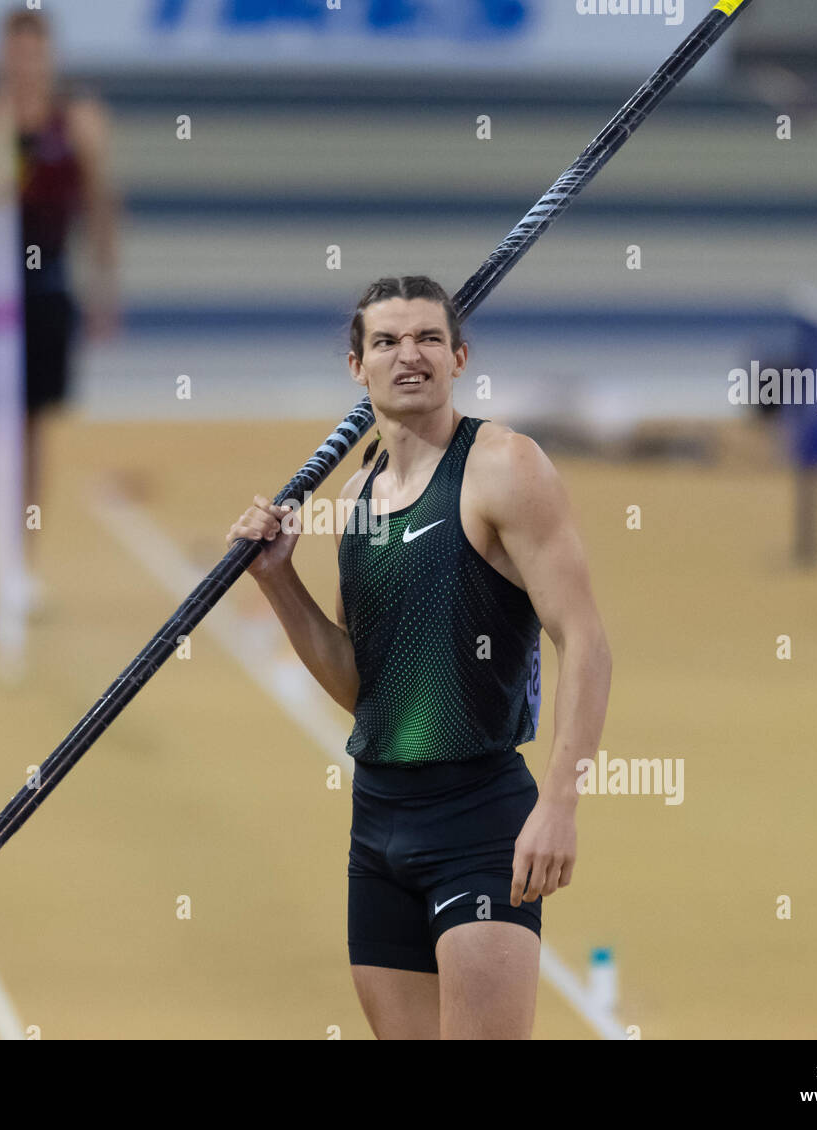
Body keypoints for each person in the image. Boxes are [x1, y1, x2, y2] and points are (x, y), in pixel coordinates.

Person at [227, 276, 611, 1039]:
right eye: (388, 342)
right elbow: (362, 685)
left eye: (429, 339)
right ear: (356, 367)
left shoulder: (505, 467)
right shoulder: (361, 492)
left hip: (478, 822)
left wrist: (560, 805)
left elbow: (586, 641)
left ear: (459, 356)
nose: (411, 356)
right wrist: (279, 586)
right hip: (378, 826)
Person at [0, 8, 119, 616]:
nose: (25, 64)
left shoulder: (80, 121)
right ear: (2, 57)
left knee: (33, 427)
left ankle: (22, 567)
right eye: (15, 53)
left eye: (35, 52)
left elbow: (101, 206)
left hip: (50, 287)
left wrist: (105, 285)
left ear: (49, 56)